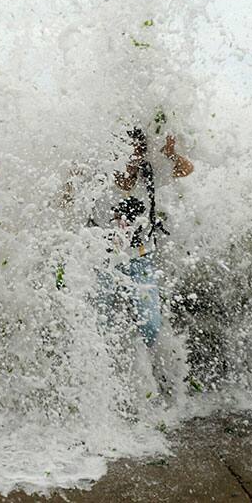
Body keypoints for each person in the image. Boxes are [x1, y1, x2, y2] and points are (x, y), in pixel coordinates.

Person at [98, 126, 193, 376]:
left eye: (139, 150)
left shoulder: (148, 174)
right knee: (101, 328)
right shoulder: (99, 179)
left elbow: (186, 169)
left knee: (150, 326)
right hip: (101, 264)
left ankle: (149, 376)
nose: (135, 156)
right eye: (129, 150)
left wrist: (171, 153)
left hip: (140, 261)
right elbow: (67, 199)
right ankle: (110, 381)